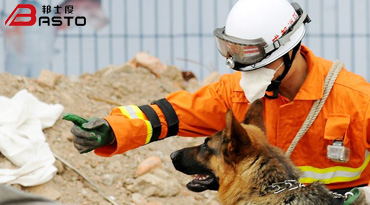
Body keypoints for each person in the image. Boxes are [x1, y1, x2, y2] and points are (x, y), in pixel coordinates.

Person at [64, 0, 370, 203]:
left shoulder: (356, 101)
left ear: (288, 49)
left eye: (253, 58)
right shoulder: (238, 92)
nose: (244, 69)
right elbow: (172, 114)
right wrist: (113, 128)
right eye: (233, 51)